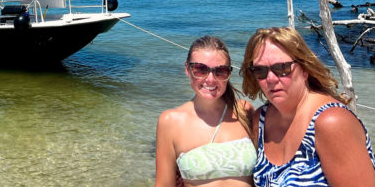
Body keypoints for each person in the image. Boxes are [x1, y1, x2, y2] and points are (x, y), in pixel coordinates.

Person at [241, 27, 375, 186]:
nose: (270, 78)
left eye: (282, 68)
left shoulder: (331, 123)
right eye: (260, 70)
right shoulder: (261, 121)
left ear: (305, 69)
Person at [155, 36, 257, 187]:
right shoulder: (170, 121)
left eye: (220, 71)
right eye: (200, 69)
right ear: (187, 70)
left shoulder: (244, 112)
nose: (210, 79)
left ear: (229, 73)